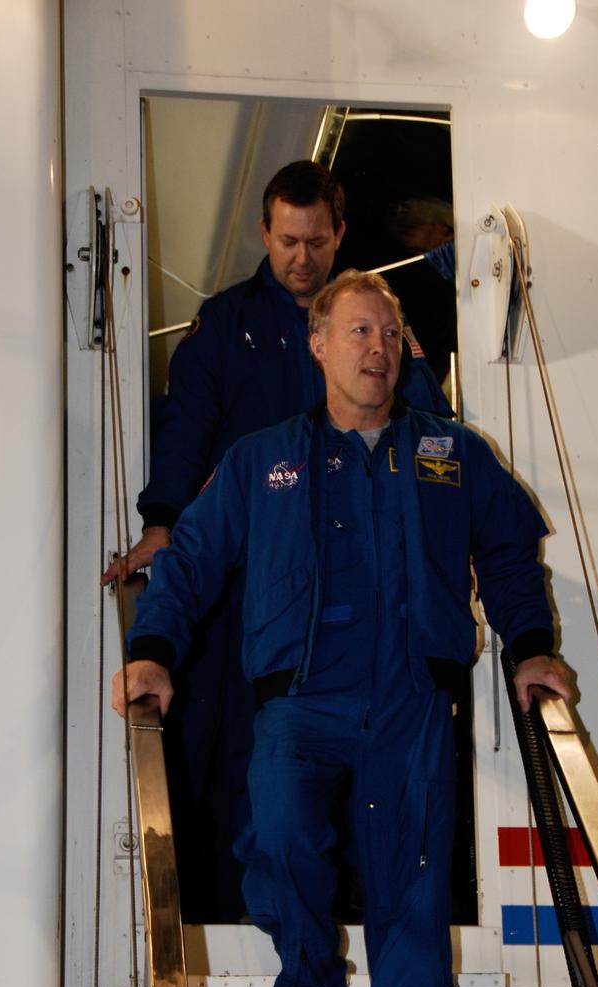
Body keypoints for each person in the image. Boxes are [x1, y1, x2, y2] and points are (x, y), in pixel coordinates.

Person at [112, 269, 572, 987]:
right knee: (277, 843)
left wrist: (529, 646)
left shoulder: (451, 452)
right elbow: (191, 560)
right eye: (359, 332)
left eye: (390, 335)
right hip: (298, 703)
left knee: (411, 907)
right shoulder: (261, 461)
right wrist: (156, 647)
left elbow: (512, 553)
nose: (377, 350)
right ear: (318, 345)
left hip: (411, 705)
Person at [103, 161, 450, 921]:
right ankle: (241, 923)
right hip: (251, 589)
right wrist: (162, 522)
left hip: (358, 595)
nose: (301, 257)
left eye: (316, 242)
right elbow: (187, 430)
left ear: (339, 235)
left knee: (366, 774)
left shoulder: (377, 328)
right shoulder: (227, 326)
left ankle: (351, 917)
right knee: (238, 766)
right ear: (265, 233)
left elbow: (431, 437)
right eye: (288, 241)